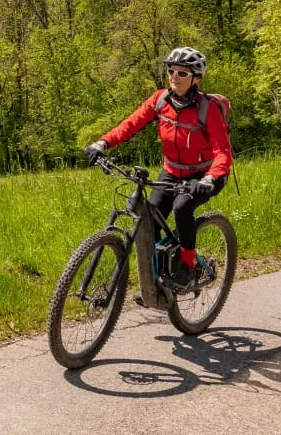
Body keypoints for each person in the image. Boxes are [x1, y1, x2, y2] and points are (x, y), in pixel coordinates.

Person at [82, 46, 232, 288]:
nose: (174, 76)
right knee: (149, 219)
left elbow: (222, 152)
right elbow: (131, 124)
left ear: (196, 78)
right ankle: (159, 279)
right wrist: (103, 143)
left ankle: (188, 265)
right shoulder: (161, 100)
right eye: (171, 71)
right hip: (172, 172)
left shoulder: (208, 109)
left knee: (182, 207)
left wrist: (209, 179)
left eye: (182, 73)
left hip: (204, 176)